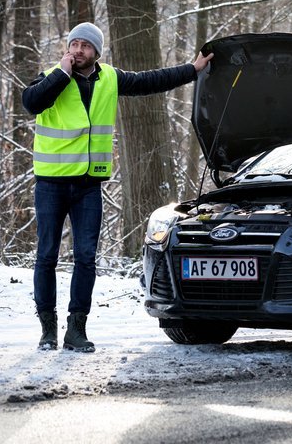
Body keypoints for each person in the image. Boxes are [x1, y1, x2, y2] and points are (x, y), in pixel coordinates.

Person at [22, 22, 213, 352]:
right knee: (47, 256)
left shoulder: (109, 78)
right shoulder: (52, 75)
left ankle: (76, 329)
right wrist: (61, 74)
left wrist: (192, 70)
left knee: (85, 258)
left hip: (88, 187)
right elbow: (32, 102)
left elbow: (149, 81)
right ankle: (47, 329)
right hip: (51, 185)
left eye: (85, 46)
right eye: (74, 44)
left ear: (97, 52)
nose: (78, 50)